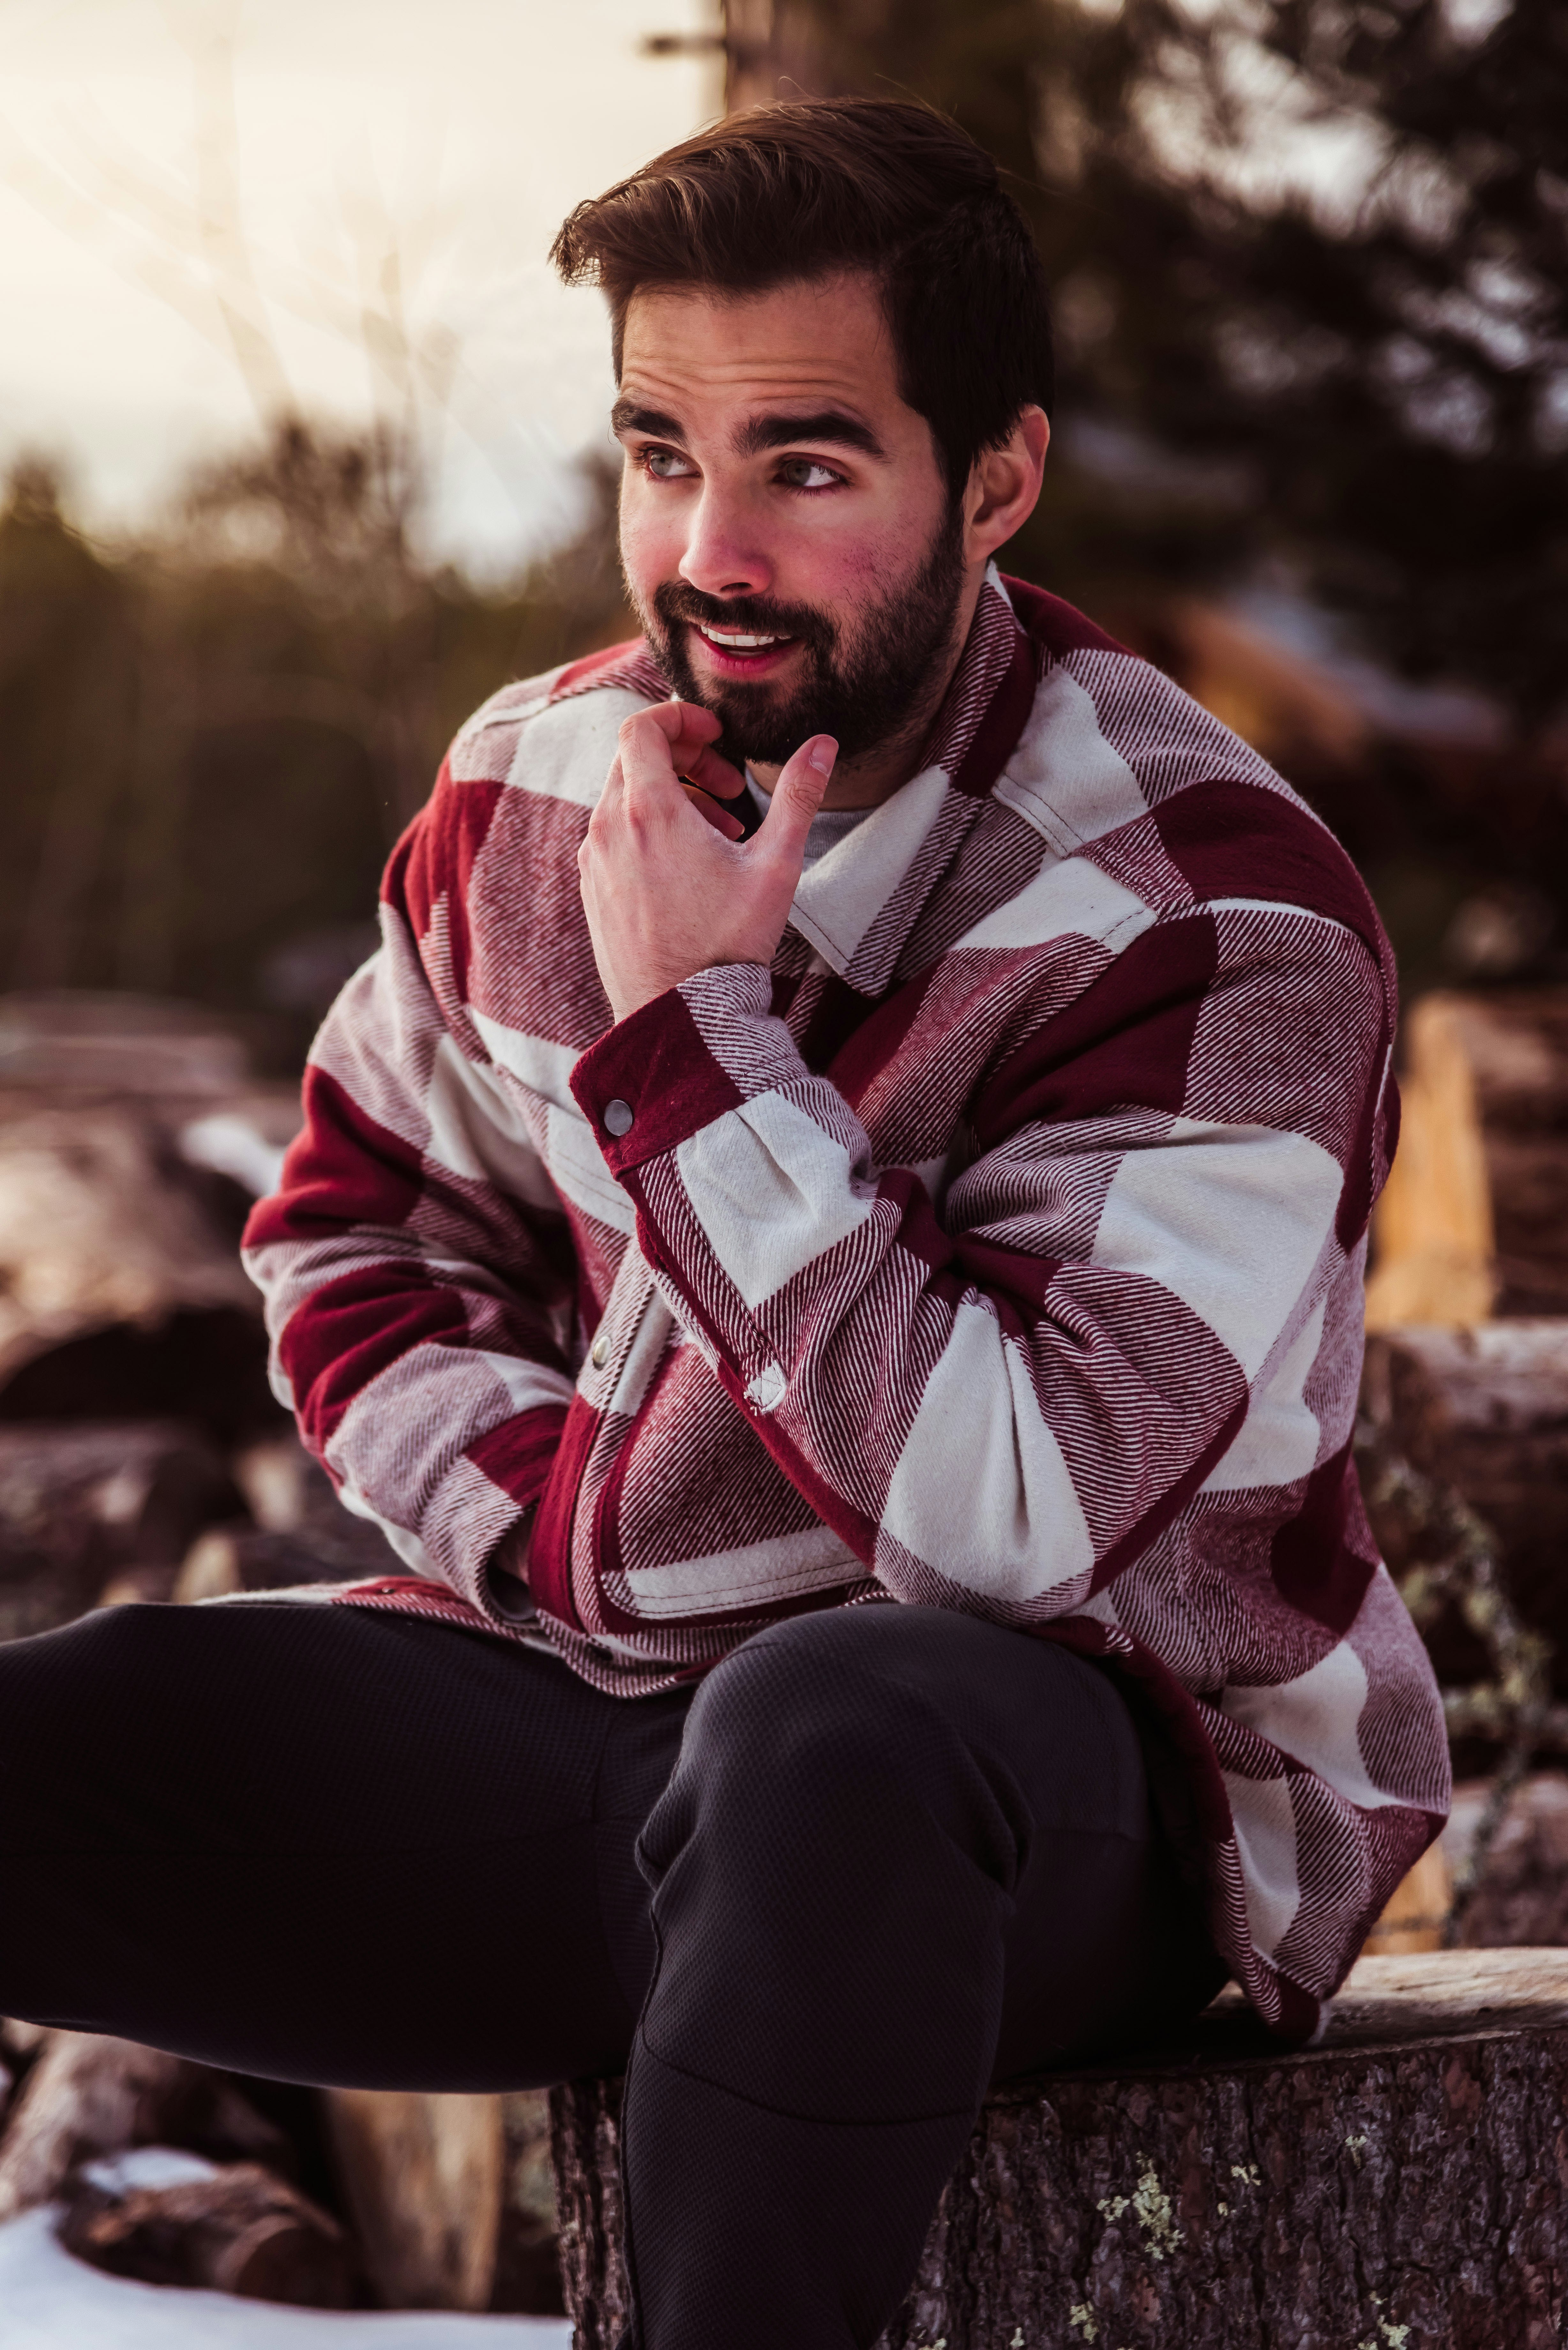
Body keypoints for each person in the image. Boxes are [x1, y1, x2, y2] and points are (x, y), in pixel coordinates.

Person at [0, 98, 1447, 2349]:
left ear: (998, 480)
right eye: (660, 452)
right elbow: (357, 1228)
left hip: (1082, 1802)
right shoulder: (532, 785)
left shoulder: (1209, 917)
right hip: (588, 1713)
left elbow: (1027, 1519)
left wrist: (697, 1047)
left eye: (809, 463)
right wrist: (552, 1535)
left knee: (830, 1738)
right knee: (60, 1740)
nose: (712, 546)